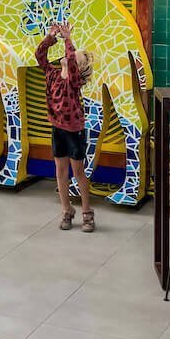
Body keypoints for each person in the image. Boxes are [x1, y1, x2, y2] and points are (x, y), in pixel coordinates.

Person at [35, 21, 95, 231]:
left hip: (74, 130)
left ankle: (87, 212)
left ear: (77, 68)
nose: (70, 56)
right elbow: (40, 55)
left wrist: (68, 38)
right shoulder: (51, 74)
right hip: (57, 127)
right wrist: (52, 36)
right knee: (60, 171)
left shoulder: (74, 81)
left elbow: (70, 60)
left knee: (78, 171)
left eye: (75, 57)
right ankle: (66, 210)